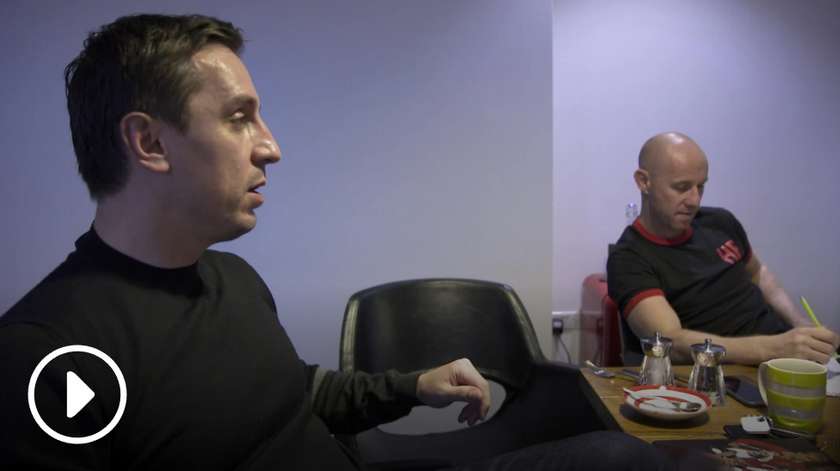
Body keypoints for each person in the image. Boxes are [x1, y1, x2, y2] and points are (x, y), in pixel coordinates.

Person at [0, 14, 666, 470]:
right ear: (149, 142)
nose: (271, 146)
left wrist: (414, 385)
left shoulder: (233, 278)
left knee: (623, 457)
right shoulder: (43, 354)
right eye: (239, 118)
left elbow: (299, 392)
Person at [607, 131, 840, 365]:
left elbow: (758, 273)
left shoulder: (720, 222)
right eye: (681, 187)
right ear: (644, 182)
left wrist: (799, 323)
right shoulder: (629, 258)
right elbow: (671, 343)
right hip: (732, 370)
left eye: (700, 186)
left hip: (784, 353)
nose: (694, 200)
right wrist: (776, 348)